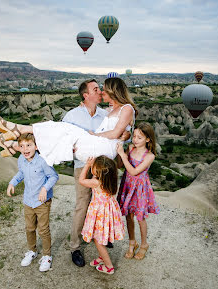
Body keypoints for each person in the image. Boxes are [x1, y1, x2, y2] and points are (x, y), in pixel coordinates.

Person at [0, 77, 138, 167]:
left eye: (104, 90)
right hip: (95, 146)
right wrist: (86, 105)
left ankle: (19, 131)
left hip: (104, 148)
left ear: (113, 91)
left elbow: (116, 132)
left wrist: (96, 135)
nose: (102, 93)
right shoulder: (109, 110)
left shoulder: (126, 108)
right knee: (61, 131)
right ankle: (15, 144)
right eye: (99, 90)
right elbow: (118, 129)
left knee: (65, 129)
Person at [61, 79, 117, 267]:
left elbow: (116, 134)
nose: (100, 91)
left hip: (105, 168)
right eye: (95, 89)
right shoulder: (72, 116)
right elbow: (63, 141)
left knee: (105, 203)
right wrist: (72, 152)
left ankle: (103, 236)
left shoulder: (105, 114)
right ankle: (75, 247)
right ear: (86, 95)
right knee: (82, 206)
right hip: (83, 166)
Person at [6, 133, 59, 272]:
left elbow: (53, 176)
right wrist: (12, 183)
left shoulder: (42, 160)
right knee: (29, 228)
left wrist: (44, 188)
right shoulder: (21, 160)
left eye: (29, 145)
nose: (25, 149)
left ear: (36, 146)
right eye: (22, 146)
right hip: (28, 200)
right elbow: (21, 173)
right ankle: (32, 251)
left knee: (43, 229)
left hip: (42, 201)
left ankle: (47, 256)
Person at [116, 122, 160, 260]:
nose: (135, 139)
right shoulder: (130, 148)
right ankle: (132, 242)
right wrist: (120, 153)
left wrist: (123, 156)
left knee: (140, 218)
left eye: (139, 137)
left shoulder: (149, 156)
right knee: (128, 216)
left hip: (139, 188)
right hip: (127, 185)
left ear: (148, 139)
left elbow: (134, 171)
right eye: (134, 136)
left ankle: (144, 245)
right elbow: (120, 165)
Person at [79, 156, 124, 275]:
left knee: (98, 240)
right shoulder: (110, 180)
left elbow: (81, 180)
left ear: (98, 172)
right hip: (107, 212)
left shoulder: (96, 182)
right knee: (101, 236)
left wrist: (87, 165)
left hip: (99, 214)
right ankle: (101, 257)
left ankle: (109, 266)